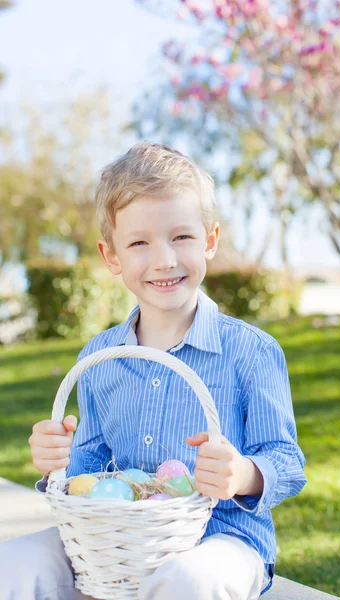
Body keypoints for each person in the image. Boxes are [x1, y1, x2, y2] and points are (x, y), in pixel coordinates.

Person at [1, 142, 306, 600]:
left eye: (181, 237)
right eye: (139, 242)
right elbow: (89, 469)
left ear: (210, 240)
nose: (163, 259)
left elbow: (287, 461)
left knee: (186, 583)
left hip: (224, 541)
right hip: (112, 547)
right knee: (14, 566)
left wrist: (242, 473)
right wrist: (57, 464)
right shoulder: (100, 358)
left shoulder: (250, 351)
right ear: (112, 257)